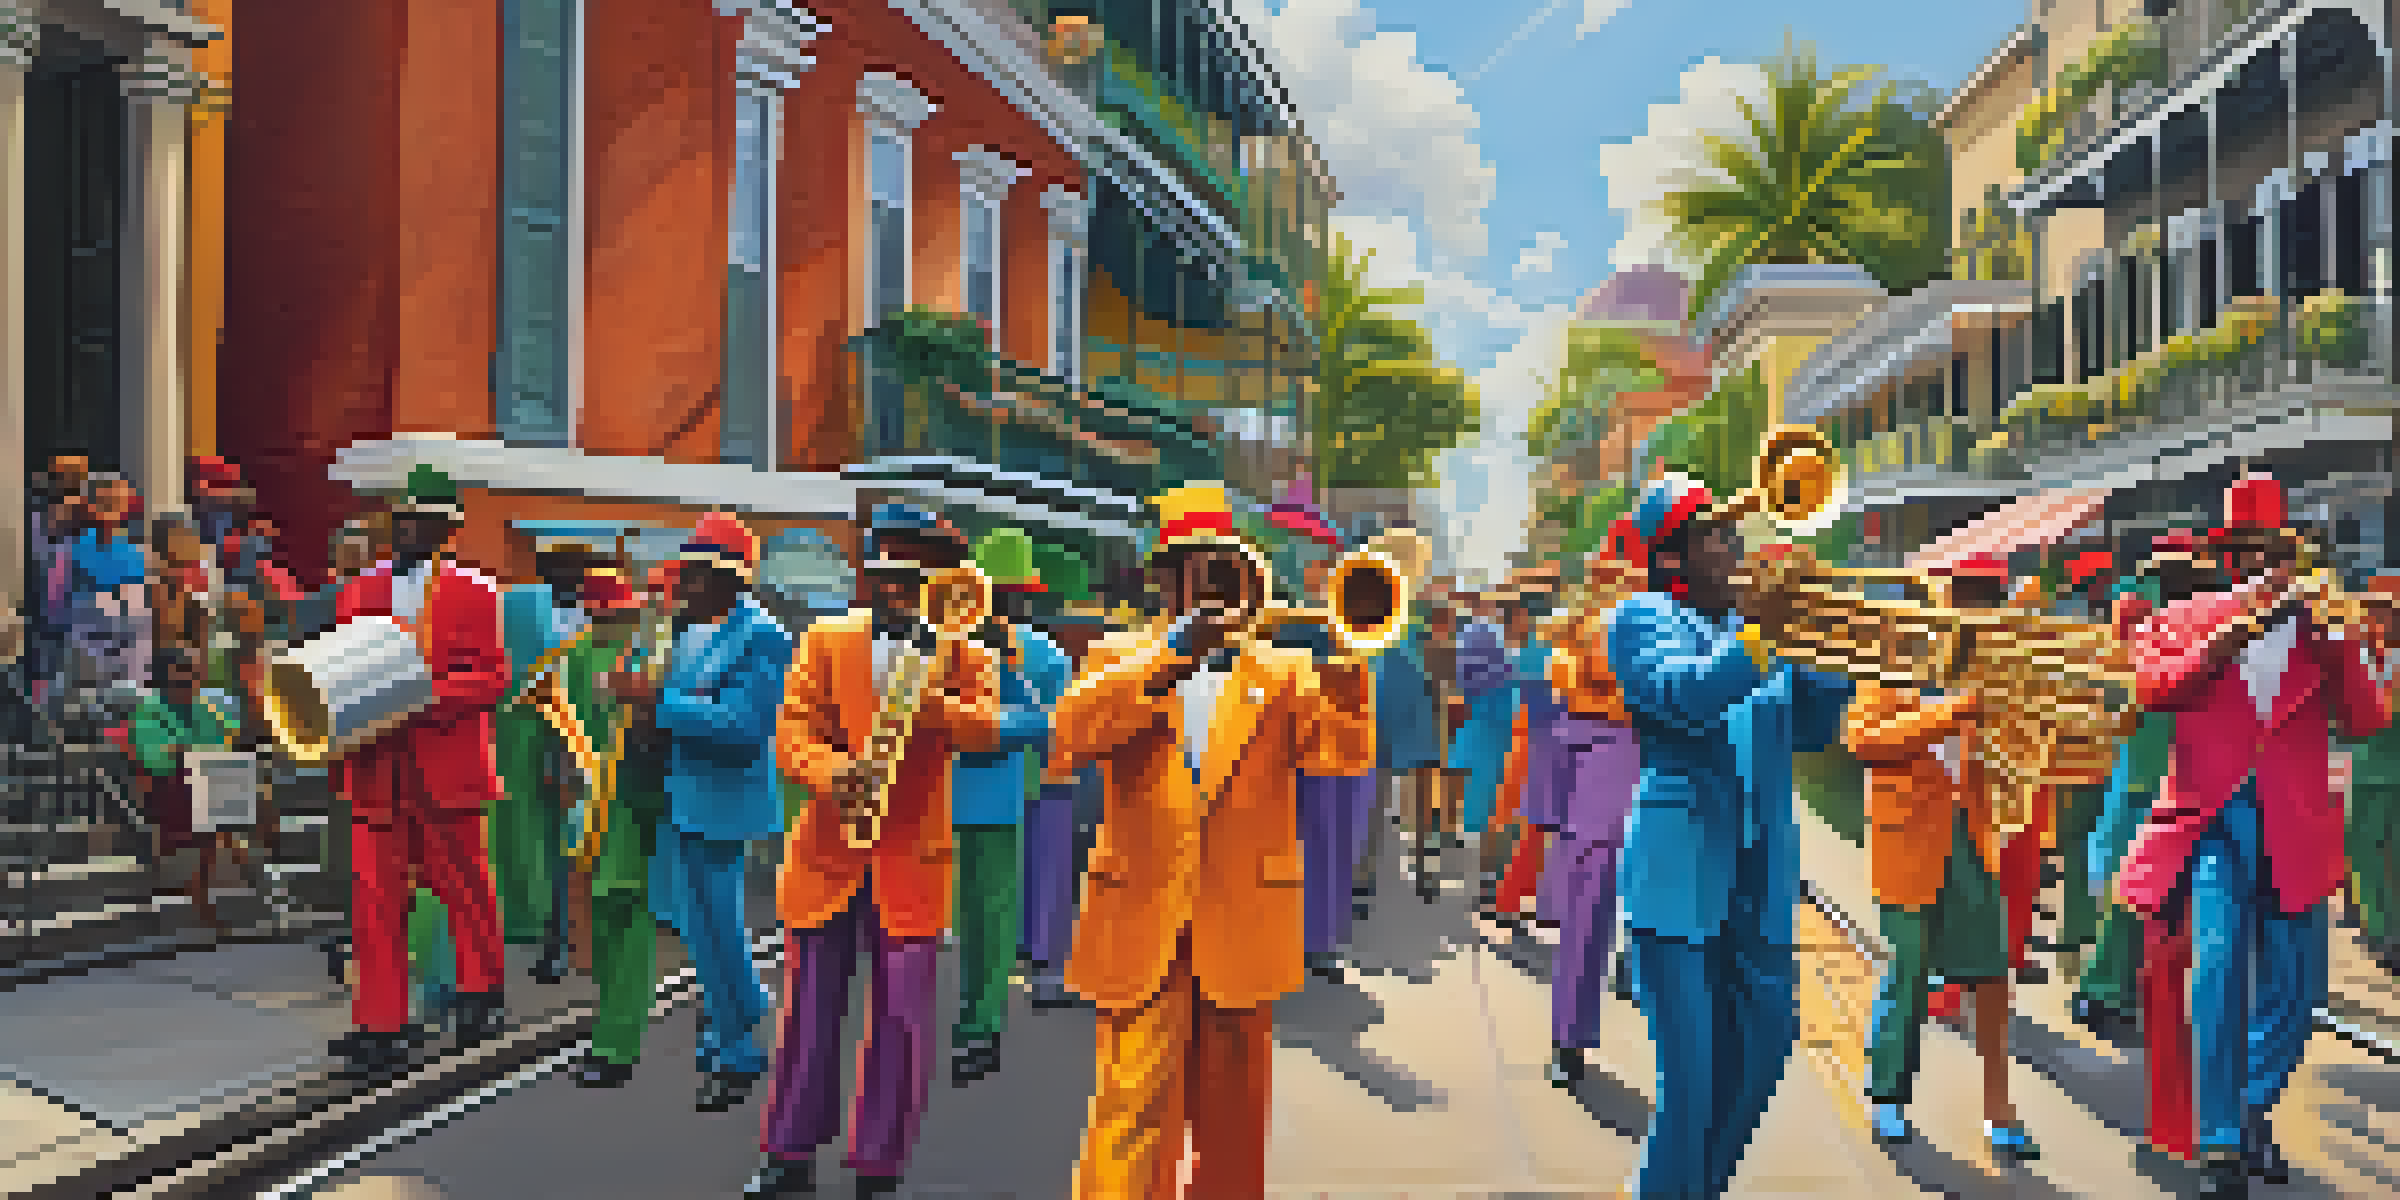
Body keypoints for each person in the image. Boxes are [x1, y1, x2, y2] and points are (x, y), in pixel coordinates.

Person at [1049, 482, 1375, 1198]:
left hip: (1242, 923)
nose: (1212, 584)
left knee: (1233, 1141)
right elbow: (1070, 733)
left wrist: (1350, 660)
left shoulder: (1285, 671)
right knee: (1127, 1121)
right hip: (1139, 921)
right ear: (1162, 578)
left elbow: (1344, 756)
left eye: (1223, 567)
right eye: (1194, 567)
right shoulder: (1117, 656)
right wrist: (1172, 655)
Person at [2117, 474, 2390, 1197]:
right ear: (2229, 559)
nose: (2264, 566)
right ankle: (2220, 1144)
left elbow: (2366, 721)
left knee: (2300, 992)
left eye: (2275, 552)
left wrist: (2343, 642)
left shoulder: (2321, 626)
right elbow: (2150, 688)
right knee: (2217, 966)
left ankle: (2246, 1109)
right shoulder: (2188, 615)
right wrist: (2226, 637)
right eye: (2248, 553)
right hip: (2212, 819)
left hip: (2293, 821)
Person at [1605, 473, 1854, 1198]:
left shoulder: (1757, 634)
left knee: (1765, 1051)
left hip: (1761, 880)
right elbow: (1688, 696)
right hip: (1679, 877)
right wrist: (1765, 634)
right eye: (1718, 533)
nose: (1736, 542)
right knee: (1690, 1086)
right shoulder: (1641, 618)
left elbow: (1814, 721)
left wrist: (1839, 641)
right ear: (1675, 553)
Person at [752, 504, 996, 1198]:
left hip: (911, 863)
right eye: (886, 571)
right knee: (806, 1016)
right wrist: (837, 774)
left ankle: (878, 1167)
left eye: (911, 573)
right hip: (830, 853)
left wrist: (931, 707)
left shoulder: (965, 649)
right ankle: (789, 1155)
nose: (896, 586)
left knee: (901, 1023)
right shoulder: (827, 640)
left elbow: (985, 728)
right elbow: (792, 731)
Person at [590, 512, 791, 1112]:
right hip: (672, 793)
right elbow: (656, 695)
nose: (686, 585)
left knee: (717, 928)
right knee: (700, 929)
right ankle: (738, 1020)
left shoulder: (765, 638)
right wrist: (637, 699)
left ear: (733, 579)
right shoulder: (681, 628)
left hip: (722, 800)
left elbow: (744, 727)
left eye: (699, 575)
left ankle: (735, 1051)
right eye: (687, 574)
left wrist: (657, 701)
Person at [1846, 554, 2040, 1160]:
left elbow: (2032, 745)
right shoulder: (1895, 664)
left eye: (1986, 595)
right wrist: (1952, 709)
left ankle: (1998, 1107)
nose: (1975, 606)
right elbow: (1864, 739)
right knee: (1906, 970)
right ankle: (1888, 1096)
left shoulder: (2003, 666)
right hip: (1908, 840)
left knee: (1990, 976)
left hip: (1977, 834)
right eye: (1964, 594)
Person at [326, 464, 510, 1082]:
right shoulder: (356, 592)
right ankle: (381, 1024)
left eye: (419, 521)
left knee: (466, 890)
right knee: (375, 905)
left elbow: (492, 678)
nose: (406, 531)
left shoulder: (478, 591)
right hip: (377, 770)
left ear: (446, 529)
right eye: (400, 520)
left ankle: (481, 994)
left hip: (444, 766)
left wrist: (425, 693)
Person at [2092, 529, 2215, 1158]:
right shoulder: (2143, 613)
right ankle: (2103, 990)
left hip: (2168, 770)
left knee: (2148, 902)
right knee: (2131, 895)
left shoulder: (2171, 611)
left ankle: (2116, 991)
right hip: (2148, 769)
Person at [948, 527, 1068, 1084]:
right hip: (972, 797)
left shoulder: (1033, 655)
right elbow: (1050, 725)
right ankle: (970, 1024)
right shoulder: (947, 642)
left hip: (969, 798)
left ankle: (970, 1023)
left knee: (972, 919)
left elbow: (1051, 725)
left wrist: (980, 724)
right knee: (979, 919)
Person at [545, 563, 670, 1087]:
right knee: (619, 918)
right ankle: (617, 1038)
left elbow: (556, 741)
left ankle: (617, 1042)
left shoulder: (572, 659)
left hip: (606, 806)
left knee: (616, 918)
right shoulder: (643, 654)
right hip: (620, 804)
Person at [1526, 554, 1643, 1086]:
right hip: (1606, 779)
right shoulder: (1575, 645)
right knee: (1585, 919)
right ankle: (1568, 1041)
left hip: (1663, 775)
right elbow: (1554, 723)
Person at [495, 541, 601, 984]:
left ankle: (562, 941)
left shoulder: (598, 619)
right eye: (561, 567)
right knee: (540, 843)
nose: (570, 577)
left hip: (574, 743)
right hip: (533, 742)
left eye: (575, 567)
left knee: (569, 845)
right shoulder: (522, 611)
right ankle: (550, 936)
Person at [1274, 554, 1382, 981]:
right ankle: (1311, 941)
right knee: (1319, 852)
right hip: (1313, 756)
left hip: (1340, 756)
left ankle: (1316, 941)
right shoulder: (1293, 624)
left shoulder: (1334, 628)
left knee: (1328, 852)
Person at [129, 646, 250, 929]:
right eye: (180, 682)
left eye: (193, 679)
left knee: (232, 777)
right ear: (165, 683)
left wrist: (194, 752)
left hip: (200, 782)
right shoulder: (150, 710)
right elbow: (156, 757)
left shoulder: (204, 710)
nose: (188, 687)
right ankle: (231, 852)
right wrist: (190, 753)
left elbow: (222, 745)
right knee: (216, 785)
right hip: (166, 786)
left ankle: (231, 856)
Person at [2345, 575, 2400, 974]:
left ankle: (2387, 931)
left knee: (2386, 854)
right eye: (2373, 613)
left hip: (2387, 769)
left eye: (2385, 613)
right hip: (2367, 770)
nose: (2378, 621)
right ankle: (2381, 928)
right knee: (2364, 851)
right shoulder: (2359, 655)